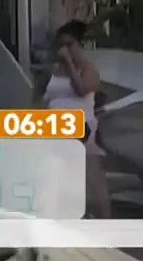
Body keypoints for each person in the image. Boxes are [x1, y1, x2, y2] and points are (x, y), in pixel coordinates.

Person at [44, 20, 111, 218]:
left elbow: (81, 88)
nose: (64, 50)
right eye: (61, 46)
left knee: (92, 172)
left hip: (79, 125)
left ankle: (104, 222)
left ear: (80, 45)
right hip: (53, 126)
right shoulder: (53, 72)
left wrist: (72, 65)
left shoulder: (88, 69)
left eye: (70, 44)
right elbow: (42, 98)